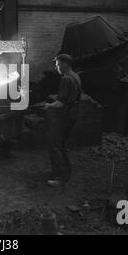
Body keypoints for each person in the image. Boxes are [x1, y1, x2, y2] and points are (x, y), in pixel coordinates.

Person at [44, 54, 82, 188]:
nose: (56, 67)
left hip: (65, 116)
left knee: (55, 145)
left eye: (58, 64)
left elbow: (60, 104)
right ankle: (64, 173)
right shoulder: (75, 76)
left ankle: (61, 178)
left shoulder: (66, 79)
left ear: (65, 64)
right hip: (72, 114)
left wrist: (48, 105)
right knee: (60, 145)